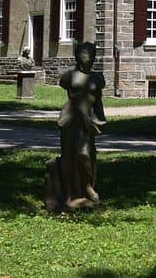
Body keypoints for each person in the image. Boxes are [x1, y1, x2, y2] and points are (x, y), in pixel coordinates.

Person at [55, 41, 106, 208]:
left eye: (92, 54)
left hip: (87, 119)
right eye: (85, 53)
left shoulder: (97, 78)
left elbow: (98, 100)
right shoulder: (69, 76)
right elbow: (66, 88)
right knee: (68, 155)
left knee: (85, 154)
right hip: (71, 116)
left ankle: (88, 186)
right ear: (78, 56)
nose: (88, 57)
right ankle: (68, 193)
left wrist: (100, 118)